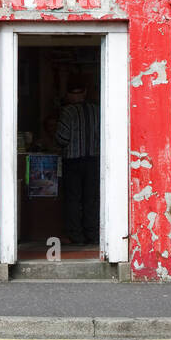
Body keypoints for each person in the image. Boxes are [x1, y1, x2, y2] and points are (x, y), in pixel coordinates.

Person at [55, 81, 99, 245]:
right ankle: (93, 234)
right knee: (91, 198)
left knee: (73, 198)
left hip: (73, 161)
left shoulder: (68, 111)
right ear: (85, 92)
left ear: (68, 94)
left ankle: (76, 235)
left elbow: (62, 138)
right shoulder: (97, 110)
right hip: (94, 160)